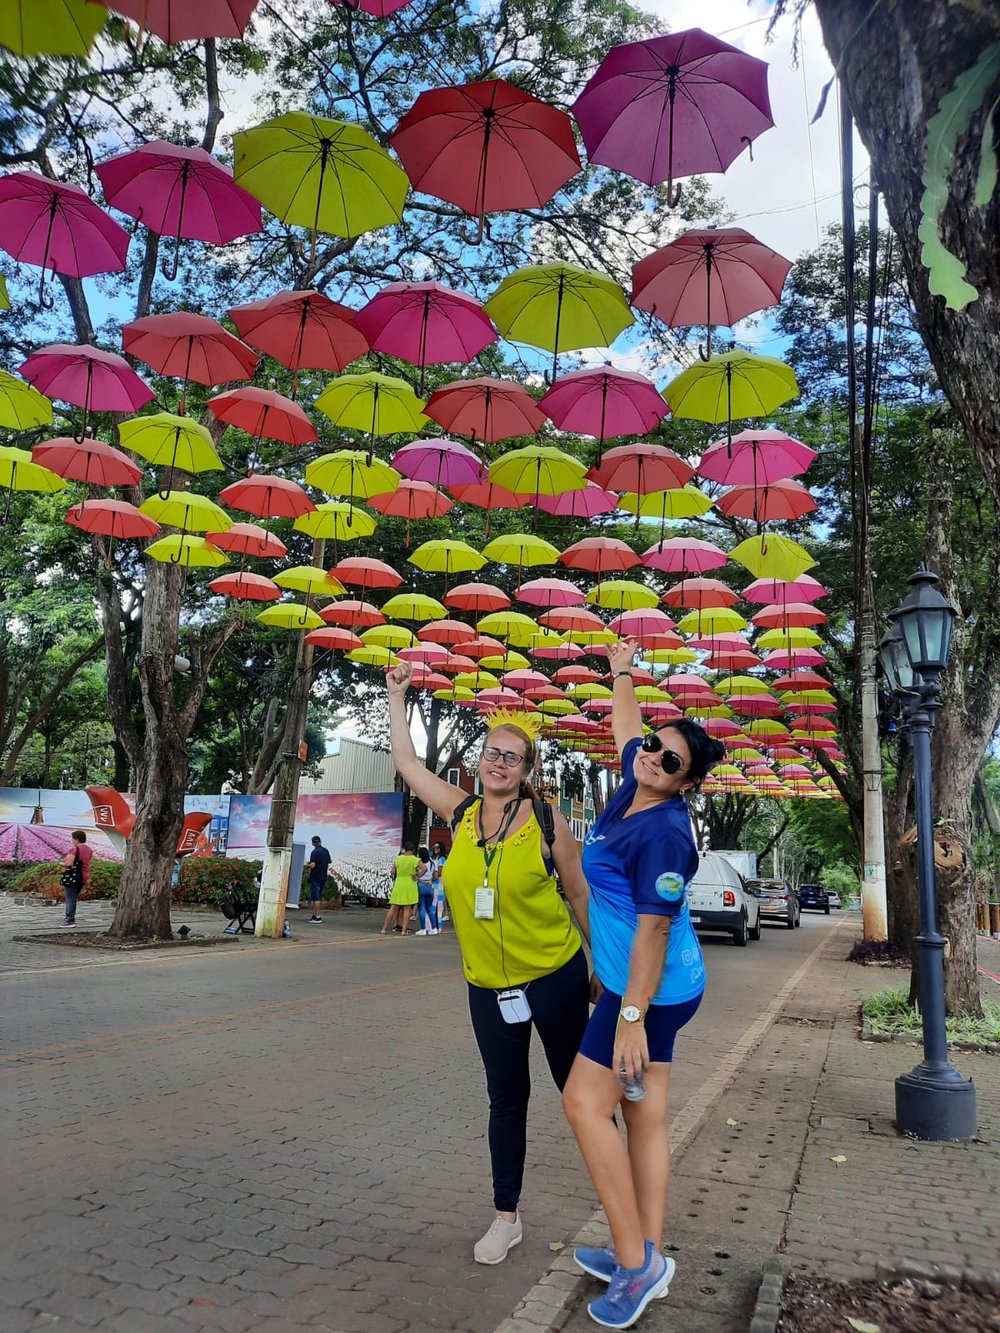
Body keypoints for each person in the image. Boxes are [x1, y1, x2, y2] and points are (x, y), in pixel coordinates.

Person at [386, 660, 593, 1264]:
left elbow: (578, 893)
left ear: (528, 770)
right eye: (490, 753)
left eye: (511, 757)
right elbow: (406, 764)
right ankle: (507, 1217)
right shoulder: (463, 813)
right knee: (506, 1097)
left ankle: (621, 1191)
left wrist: (601, 966)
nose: (497, 763)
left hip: (555, 976)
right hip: (488, 985)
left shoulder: (550, 824)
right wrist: (397, 698)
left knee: (577, 1093)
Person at [562, 638, 725, 1331]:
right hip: (653, 983)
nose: (652, 758)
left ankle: (638, 1264)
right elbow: (627, 728)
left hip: (653, 987)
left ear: (686, 783)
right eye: (655, 749)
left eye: (670, 761)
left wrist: (629, 1013)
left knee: (581, 1102)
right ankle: (646, 1250)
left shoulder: (666, 834)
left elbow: (654, 932)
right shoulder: (635, 778)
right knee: (641, 1111)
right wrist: (621, 671)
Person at [382, 841, 420, 935]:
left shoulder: (398, 858)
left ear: (404, 849)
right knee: (407, 908)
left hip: (399, 883)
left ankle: (384, 929)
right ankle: (404, 930)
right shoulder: (415, 859)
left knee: (393, 907)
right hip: (409, 883)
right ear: (413, 850)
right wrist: (417, 876)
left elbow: (393, 872)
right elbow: (424, 869)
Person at [59, 830, 93, 928]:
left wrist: (61, 863)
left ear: (77, 839)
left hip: (73, 876)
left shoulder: (74, 849)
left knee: (70, 898)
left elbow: (69, 863)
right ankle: (68, 918)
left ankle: (70, 920)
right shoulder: (89, 850)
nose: (71, 840)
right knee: (73, 897)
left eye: (72, 838)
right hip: (83, 876)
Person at [306, 835, 332, 923]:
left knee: (315, 898)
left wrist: (306, 865)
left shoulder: (314, 852)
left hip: (315, 877)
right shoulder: (325, 851)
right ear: (320, 842)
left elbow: (313, 865)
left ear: (313, 843)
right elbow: (328, 862)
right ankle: (314, 915)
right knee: (318, 897)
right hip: (323, 877)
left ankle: (317, 917)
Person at [415, 846, 438, 935]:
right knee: (429, 908)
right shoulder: (433, 862)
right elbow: (436, 876)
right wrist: (431, 879)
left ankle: (423, 929)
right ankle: (434, 928)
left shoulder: (418, 863)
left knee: (421, 908)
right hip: (429, 885)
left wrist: (418, 876)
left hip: (421, 884)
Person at [431, 840, 448, 926]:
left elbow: (440, 871)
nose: (435, 849)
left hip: (439, 879)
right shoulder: (434, 858)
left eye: (437, 847)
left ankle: (444, 914)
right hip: (435, 879)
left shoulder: (442, 859)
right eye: (434, 847)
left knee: (441, 897)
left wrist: (433, 877)